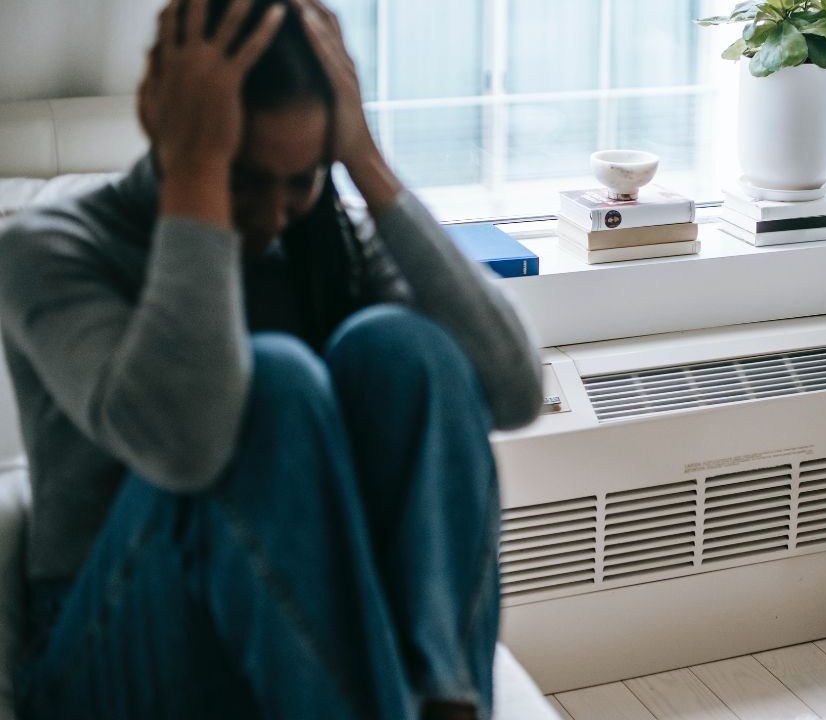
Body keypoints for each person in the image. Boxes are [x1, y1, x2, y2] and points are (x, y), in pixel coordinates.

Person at [0, 0, 543, 717]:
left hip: (290, 630)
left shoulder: (325, 243)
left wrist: (366, 166)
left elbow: (514, 391)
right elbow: (186, 446)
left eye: (302, 180)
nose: (273, 218)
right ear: (165, 119)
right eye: (246, 179)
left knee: (405, 348)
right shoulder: (53, 248)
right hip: (105, 645)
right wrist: (197, 171)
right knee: (276, 382)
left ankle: (445, 699)